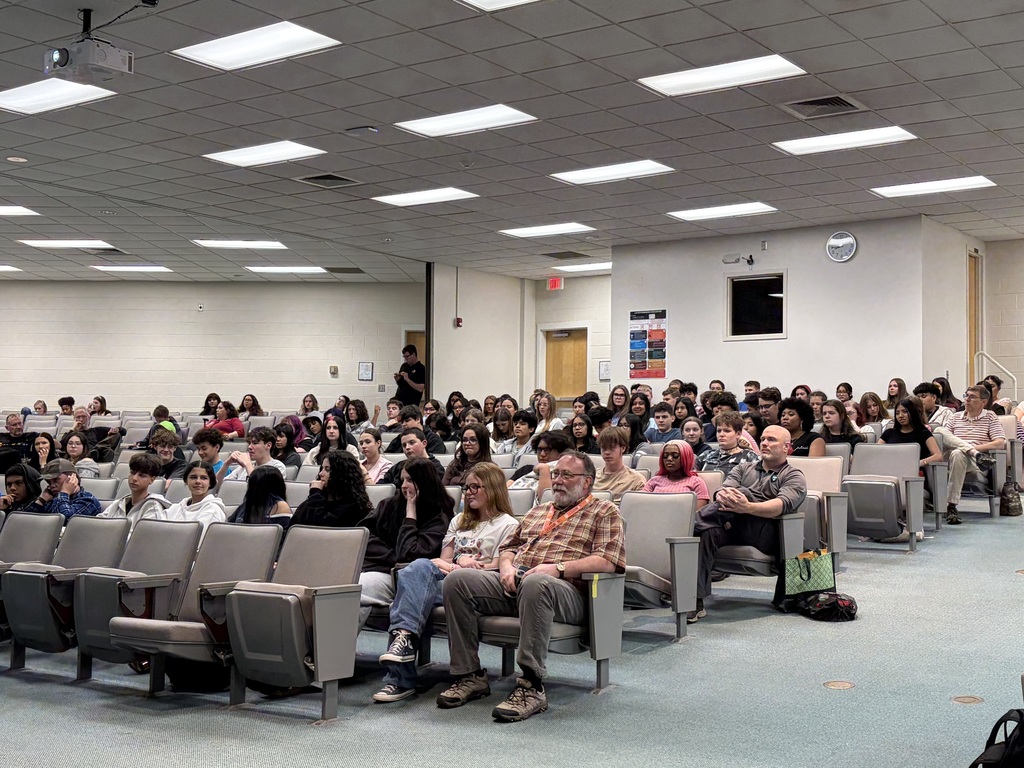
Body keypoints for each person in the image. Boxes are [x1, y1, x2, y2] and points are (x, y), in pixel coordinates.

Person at [437, 451, 624, 721]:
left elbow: (608, 561)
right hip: (519, 583)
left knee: (538, 582)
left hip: (567, 592)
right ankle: (470, 675)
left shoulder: (604, 511)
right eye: (556, 474)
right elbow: (508, 547)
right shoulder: (538, 511)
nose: (557, 480)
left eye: (567, 475)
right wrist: (506, 567)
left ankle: (531, 686)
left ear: (587, 482)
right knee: (457, 580)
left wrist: (557, 569)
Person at [373, 462, 519, 703]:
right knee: (417, 567)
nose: (468, 492)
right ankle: (404, 640)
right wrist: (460, 561)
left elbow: (497, 564)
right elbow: (444, 560)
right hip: (449, 580)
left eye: (475, 487)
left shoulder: (508, 525)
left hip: (479, 587)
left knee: (413, 587)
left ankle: (399, 677)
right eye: (466, 487)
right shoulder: (459, 521)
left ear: (492, 489)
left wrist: (456, 565)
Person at [689, 426, 807, 623]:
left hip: (768, 533)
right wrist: (725, 496)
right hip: (734, 526)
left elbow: (780, 505)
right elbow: (721, 493)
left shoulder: (794, 476)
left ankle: (691, 523)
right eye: (762, 439)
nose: (764, 443)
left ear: (786, 447)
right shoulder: (743, 468)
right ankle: (694, 600)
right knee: (707, 532)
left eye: (771, 439)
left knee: (744, 493)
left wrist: (748, 506)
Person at [359, 458, 454, 627]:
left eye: (410, 480)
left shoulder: (439, 518)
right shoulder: (388, 505)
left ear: (424, 482)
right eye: (402, 480)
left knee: (353, 591)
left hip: (407, 581)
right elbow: (362, 537)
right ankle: (329, 650)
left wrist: (410, 516)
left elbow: (409, 555)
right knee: (342, 592)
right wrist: (391, 556)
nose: (403, 485)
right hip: (381, 569)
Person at [934, 385, 1004, 525]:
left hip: (973, 461)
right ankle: (975, 454)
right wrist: (971, 450)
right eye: (966, 396)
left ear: (983, 401)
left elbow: (1000, 443)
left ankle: (951, 506)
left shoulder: (990, 416)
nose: (967, 400)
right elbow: (945, 439)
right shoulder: (955, 417)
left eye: (972, 397)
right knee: (940, 430)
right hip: (957, 456)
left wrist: (971, 449)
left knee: (959, 453)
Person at [878, 398, 943, 541]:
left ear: (912, 413)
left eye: (905, 412)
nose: (900, 415)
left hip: (914, 474)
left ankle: (913, 528)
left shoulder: (923, 433)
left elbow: (938, 456)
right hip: (889, 473)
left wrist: (918, 462)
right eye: (898, 413)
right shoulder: (889, 433)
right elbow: (876, 453)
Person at [292, 450, 373, 528]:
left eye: (327, 469)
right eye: (322, 468)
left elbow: (319, 527)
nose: (321, 474)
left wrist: (315, 493)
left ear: (342, 474)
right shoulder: (319, 498)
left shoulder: (354, 506)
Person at [98, 453, 172, 530]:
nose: (134, 478)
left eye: (142, 475)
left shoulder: (153, 507)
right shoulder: (119, 503)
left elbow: (145, 537)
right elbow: (98, 524)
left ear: (152, 480)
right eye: (132, 473)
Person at [159, 461, 227, 537]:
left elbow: (195, 539)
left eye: (203, 478)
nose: (198, 481)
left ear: (210, 482)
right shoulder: (176, 507)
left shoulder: (213, 510)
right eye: (193, 477)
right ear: (186, 481)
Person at [25, 458, 102, 519]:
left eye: (56, 480)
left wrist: (64, 492)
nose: (52, 486)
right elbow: (26, 520)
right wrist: (41, 500)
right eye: (49, 482)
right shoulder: (51, 499)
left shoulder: (88, 501)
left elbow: (63, 519)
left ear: (72, 477)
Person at [643, 440, 709, 507]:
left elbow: (698, 513)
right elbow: (641, 504)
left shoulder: (696, 482)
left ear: (686, 458)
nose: (669, 459)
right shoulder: (654, 480)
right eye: (665, 456)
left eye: (675, 456)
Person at [592, 426, 645, 503]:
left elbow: (639, 509)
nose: (607, 452)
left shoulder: (636, 480)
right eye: (604, 448)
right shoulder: (592, 477)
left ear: (623, 448)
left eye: (612, 448)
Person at [217, 426, 287, 484]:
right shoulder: (244, 467)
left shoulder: (277, 467)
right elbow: (217, 486)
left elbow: (263, 492)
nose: (249, 447)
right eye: (249, 443)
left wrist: (248, 465)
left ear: (268, 445)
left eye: (255, 443)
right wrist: (226, 464)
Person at [378, 428, 445, 486]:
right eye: (404, 445)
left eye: (412, 443)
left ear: (424, 443)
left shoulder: (435, 467)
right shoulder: (398, 466)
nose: (407, 447)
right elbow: (382, 486)